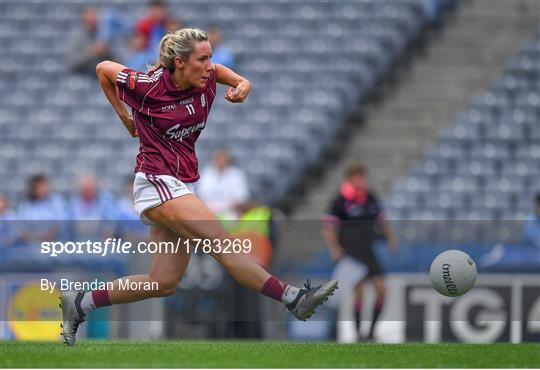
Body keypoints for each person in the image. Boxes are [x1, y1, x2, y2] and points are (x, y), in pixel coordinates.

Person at [60, 28, 337, 346]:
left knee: (162, 283)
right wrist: (124, 118)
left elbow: (222, 72)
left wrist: (242, 82)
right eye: (202, 58)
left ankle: (81, 302)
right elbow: (102, 69)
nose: (209, 65)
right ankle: (293, 298)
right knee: (222, 241)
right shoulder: (148, 86)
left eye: (210, 57)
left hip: (183, 185)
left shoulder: (206, 76)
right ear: (179, 62)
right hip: (156, 182)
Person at [322, 162, 397, 341]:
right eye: (356, 177)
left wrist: (391, 239)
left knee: (381, 289)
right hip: (351, 252)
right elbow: (328, 227)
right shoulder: (340, 200)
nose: (360, 180)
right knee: (359, 292)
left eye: (362, 177)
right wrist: (334, 248)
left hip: (368, 250)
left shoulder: (370, 197)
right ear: (350, 179)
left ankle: (371, 331)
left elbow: (382, 221)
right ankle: (358, 334)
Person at [198, 149, 249, 218]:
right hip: (208, 211)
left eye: (224, 159)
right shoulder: (206, 173)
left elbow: (241, 197)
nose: (221, 162)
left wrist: (224, 207)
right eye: (219, 159)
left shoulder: (236, 174)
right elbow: (200, 194)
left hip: (230, 213)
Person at [17, 174, 67, 244]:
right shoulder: (26, 204)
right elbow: (21, 228)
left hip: (54, 243)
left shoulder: (56, 201)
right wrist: (34, 237)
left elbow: (61, 224)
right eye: (39, 187)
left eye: (44, 186)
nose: (42, 189)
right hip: (30, 245)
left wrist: (49, 235)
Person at [67, 7, 115, 75]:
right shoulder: (77, 36)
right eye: (90, 15)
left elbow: (114, 59)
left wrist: (105, 50)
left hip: (100, 76)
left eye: (94, 15)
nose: (93, 18)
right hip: (82, 75)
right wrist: (91, 52)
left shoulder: (104, 34)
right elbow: (72, 62)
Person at [67, 175, 117, 240]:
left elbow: (110, 225)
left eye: (90, 189)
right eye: (85, 190)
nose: (87, 192)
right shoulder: (73, 205)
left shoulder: (105, 203)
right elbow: (68, 228)